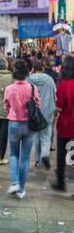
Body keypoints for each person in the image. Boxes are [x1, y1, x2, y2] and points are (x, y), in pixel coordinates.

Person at [4, 59, 40, 199]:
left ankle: (14, 182)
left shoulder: (9, 89)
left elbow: (6, 106)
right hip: (29, 126)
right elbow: (38, 105)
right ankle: (21, 190)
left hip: (13, 124)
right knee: (25, 158)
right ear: (26, 73)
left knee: (13, 154)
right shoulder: (32, 88)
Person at [27, 60, 56, 169]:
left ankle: (38, 160)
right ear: (43, 68)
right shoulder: (49, 80)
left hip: (34, 113)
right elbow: (55, 95)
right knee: (46, 136)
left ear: (33, 68)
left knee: (36, 137)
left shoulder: (29, 79)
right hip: (48, 112)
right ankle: (45, 154)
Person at [51, 56, 74, 191]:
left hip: (66, 126)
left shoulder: (64, 85)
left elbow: (58, 108)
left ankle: (61, 182)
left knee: (61, 155)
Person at [0, 58, 13, 165]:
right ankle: (1, 157)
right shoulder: (12, 77)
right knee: (4, 133)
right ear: (6, 66)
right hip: (7, 109)